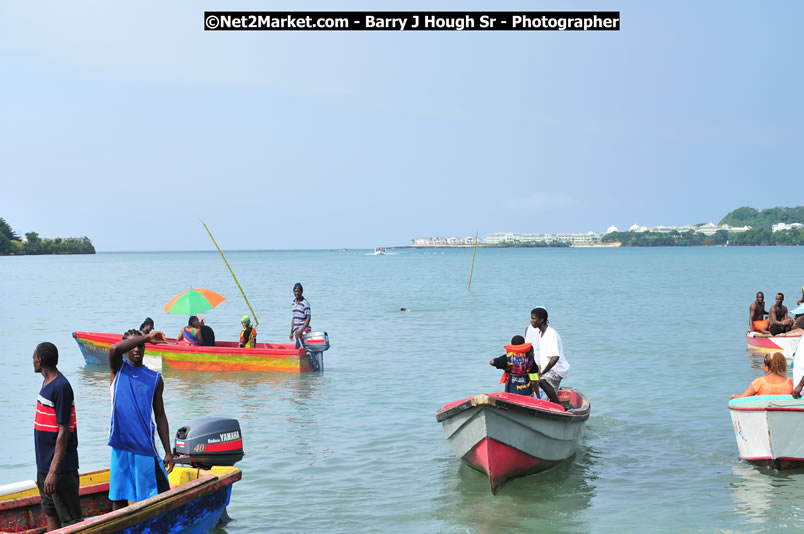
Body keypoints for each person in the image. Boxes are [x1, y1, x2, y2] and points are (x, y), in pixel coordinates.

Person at [107, 329, 173, 510]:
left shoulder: (155, 379)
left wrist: (168, 451)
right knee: (118, 498)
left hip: (145, 448)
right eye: (132, 345)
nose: (137, 349)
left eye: (140, 345)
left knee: (159, 494)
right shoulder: (118, 370)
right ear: (126, 348)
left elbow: (160, 416)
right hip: (120, 446)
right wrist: (146, 337)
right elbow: (113, 350)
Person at [33, 342, 81, 530]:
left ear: (40, 360)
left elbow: (64, 431)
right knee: (51, 513)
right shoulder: (47, 384)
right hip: (44, 467)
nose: (33, 360)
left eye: (34, 357)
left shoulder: (61, 387)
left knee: (71, 522)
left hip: (60, 470)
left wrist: (53, 471)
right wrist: (45, 472)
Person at [525, 307, 570, 404]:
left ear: (541, 320)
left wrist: (542, 372)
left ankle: (559, 406)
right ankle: (555, 408)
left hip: (557, 368)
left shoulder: (551, 333)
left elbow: (555, 357)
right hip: (549, 369)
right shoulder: (541, 332)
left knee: (541, 381)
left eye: (533, 318)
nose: (531, 321)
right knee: (550, 397)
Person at [290, 283, 311, 349]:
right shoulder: (293, 303)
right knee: (299, 350)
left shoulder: (305, 303)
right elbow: (294, 318)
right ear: (293, 292)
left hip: (304, 331)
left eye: (298, 291)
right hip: (297, 332)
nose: (297, 293)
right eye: (296, 291)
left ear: (301, 292)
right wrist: (291, 332)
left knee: (298, 350)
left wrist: (301, 331)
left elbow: (308, 318)